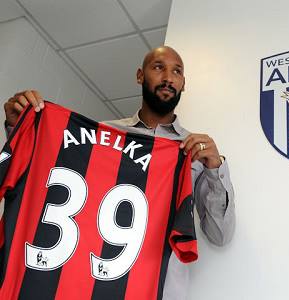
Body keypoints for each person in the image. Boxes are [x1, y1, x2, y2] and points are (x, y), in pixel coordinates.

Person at [3, 46, 235, 299]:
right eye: (158, 67)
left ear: (183, 83)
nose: (168, 77)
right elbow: (40, 183)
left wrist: (215, 168)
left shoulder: (192, 151)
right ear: (140, 75)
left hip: (160, 290)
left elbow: (220, 234)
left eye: (177, 71)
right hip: (87, 284)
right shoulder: (97, 134)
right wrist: (21, 128)